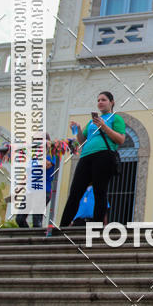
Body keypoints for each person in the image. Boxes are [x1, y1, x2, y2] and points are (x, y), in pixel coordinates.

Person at [59, 91, 125, 226]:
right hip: (86, 156)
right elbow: (82, 141)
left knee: (100, 191)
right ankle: (63, 225)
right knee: (75, 191)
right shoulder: (91, 122)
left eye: (104, 100)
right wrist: (77, 129)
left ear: (111, 102)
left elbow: (120, 139)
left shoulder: (115, 118)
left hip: (104, 155)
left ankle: (97, 226)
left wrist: (104, 126)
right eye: (98, 100)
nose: (100, 102)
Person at [15, 133, 55, 228]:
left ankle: (36, 240)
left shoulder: (50, 154)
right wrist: (19, 188)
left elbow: (46, 165)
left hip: (42, 191)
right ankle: (28, 237)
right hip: (29, 192)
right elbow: (28, 174)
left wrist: (45, 150)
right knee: (19, 219)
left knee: (37, 220)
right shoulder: (33, 158)